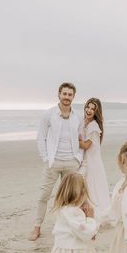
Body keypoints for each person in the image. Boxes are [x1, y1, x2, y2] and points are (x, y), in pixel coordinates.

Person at [29, 82, 83, 241]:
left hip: (71, 162)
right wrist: (46, 158)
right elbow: (41, 137)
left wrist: (78, 157)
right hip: (53, 163)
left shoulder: (77, 116)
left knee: (71, 197)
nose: (67, 97)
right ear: (59, 95)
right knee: (44, 195)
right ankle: (37, 227)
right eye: (64, 94)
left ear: (73, 97)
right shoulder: (48, 114)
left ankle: (70, 226)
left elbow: (81, 139)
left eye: (70, 95)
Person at [78, 98, 110, 223]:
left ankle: (90, 212)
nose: (89, 110)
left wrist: (74, 140)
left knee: (92, 187)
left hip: (92, 162)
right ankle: (85, 210)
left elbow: (86, 145)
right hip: (86, 160)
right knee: (88, 186)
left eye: (93, 109)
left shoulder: (94, 126)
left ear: (97, 112)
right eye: (88, 107)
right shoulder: (85, 122)